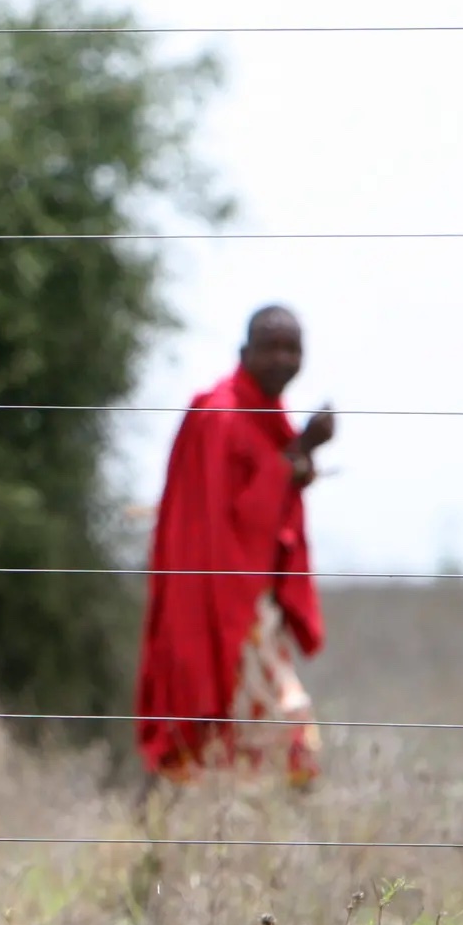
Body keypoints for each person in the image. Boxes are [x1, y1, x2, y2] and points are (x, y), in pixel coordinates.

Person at [136, 305, 335, 787]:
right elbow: (238, 517)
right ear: (245, 352)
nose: (283, 359)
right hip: (217, 597)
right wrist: (300, 453)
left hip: (252, 601)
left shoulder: (268, 414)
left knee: (260, 731)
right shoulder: (220, 415)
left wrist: (300, 457)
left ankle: (241, 830)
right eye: (272, 348)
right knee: (279, 725)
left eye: (293, 348)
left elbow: (273, 489)